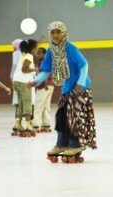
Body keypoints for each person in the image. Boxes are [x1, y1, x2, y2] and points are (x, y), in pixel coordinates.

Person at [30, 21, 97, 162]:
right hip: (67, 88)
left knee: (74, 118)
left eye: (58, 32)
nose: (55, 35)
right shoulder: (50, 51)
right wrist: (35, 81)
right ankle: (61, 144)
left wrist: (80, 83)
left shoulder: (70, 48)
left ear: (64, 33)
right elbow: (46, 70)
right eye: (52, 32)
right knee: (61, 117)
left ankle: (74, 144)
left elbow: (84, 65)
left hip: (80, 88)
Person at [12, 39, 38, 137]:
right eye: (36, 48)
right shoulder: (29, 56)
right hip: (23, 82)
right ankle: (28, 124)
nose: (36, 51)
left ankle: (17, 123)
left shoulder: (23, 54)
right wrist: (35, 69)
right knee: (27, 102)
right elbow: (24, 69)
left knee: (21, 103)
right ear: (32, 49)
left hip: (16, 81)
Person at [32, 47, 54, 133]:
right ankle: (46, 124)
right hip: (51, 85)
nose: (36, 55)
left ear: (43, 54)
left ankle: (36, 125)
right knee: (46, 105)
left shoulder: (42, 62)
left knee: (38, 105)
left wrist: (45, 84)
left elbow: (45, 73)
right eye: (36, 53)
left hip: (44, 86)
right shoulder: (48, 61)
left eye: (38, 53)